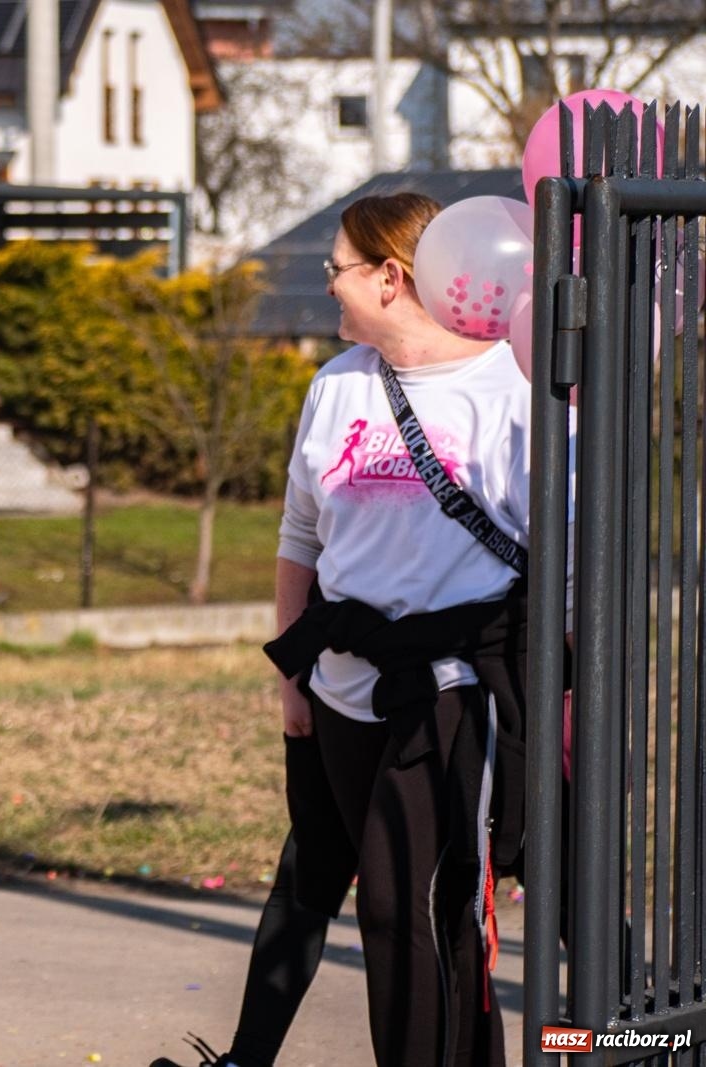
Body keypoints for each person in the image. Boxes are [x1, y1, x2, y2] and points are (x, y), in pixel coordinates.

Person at [155, 192, 534, 1067]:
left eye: (337, 269)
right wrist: (292, 676)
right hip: (337, 683)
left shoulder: (507, 388)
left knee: (408, 909)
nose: (326, 284)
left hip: (447, 689)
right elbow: (300, 536)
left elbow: (557, 554)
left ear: (392, 279)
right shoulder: (337, 387)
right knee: (315, 879)